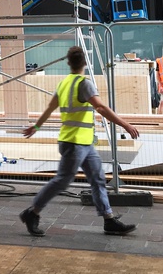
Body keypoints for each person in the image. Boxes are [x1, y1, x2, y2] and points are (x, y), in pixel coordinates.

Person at [19, 45, 139, 237]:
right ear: (85, 63)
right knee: (62, 181)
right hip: (74, 144)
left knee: (97, 179)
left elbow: (50, 108)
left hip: (83, 143)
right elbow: (100, 108)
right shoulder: (84, 83)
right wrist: (125, 124)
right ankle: (32, 213)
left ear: (69, 63)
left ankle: (108, 220)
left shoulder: (64, 83)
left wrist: (37, 127)